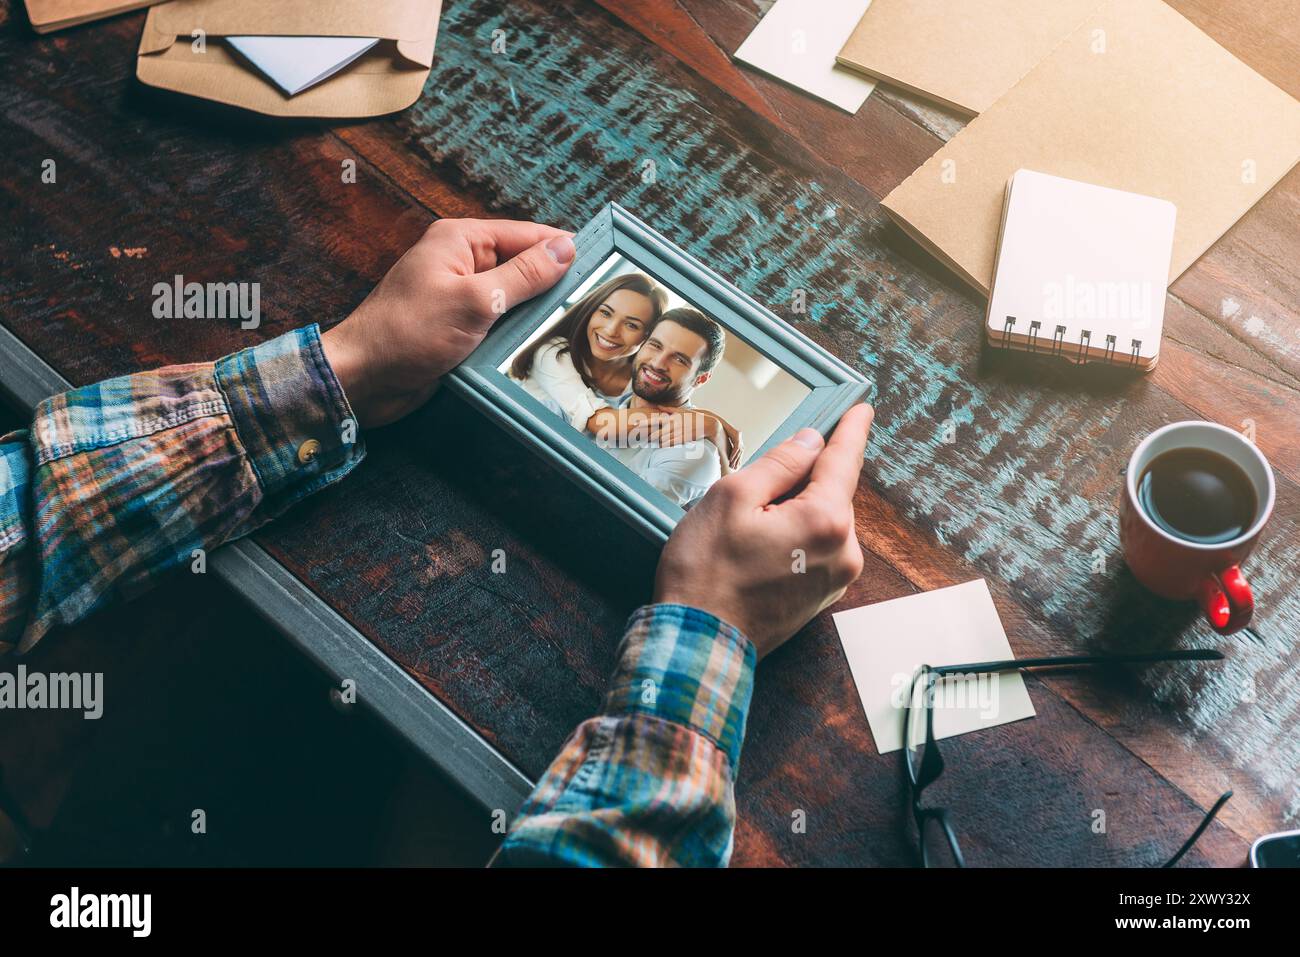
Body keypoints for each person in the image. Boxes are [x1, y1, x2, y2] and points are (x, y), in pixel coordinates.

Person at [0, 218, 872, 867]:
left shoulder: (692, 432)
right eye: (629, 328)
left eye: (663, 349)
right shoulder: (566, 382)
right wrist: (708, 630)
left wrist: (345, 367)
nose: (635, 349)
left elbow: (22, 527)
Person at [507, 273, 743, 474]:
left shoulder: (639, 377)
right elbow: (603, 424)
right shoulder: (554, 354)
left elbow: (670, 411)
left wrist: (714, 432)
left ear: (646, 336)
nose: (610, 331)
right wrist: (710, 426)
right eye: (606, 313)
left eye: (631, 325)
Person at [603, 306, 728, 507]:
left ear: (701, 378)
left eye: (679, 359)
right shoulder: (597, 402)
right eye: (655, 346)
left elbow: (616, 513)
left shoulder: (694, 454)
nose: (658, 363)